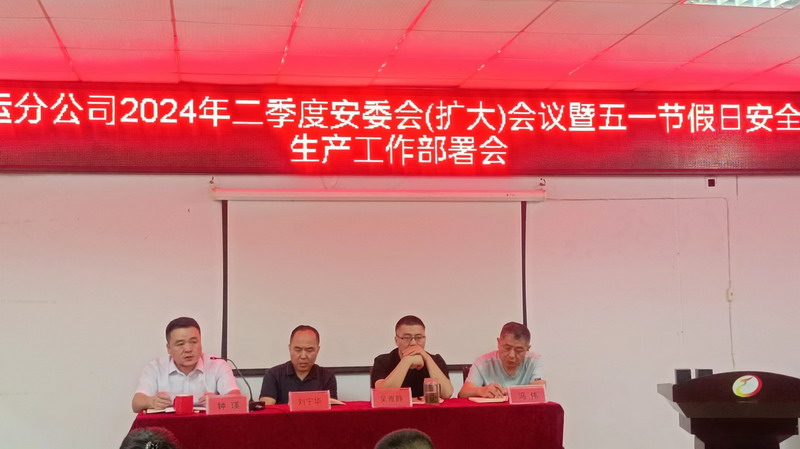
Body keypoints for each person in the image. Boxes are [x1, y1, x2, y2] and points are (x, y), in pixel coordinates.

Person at [131, 317, 240, 413]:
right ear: (169, 348)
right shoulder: (155, 367)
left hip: (209, 426)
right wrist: (151, 401)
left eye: (193, 342)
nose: (188, 349)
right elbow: (136, 403)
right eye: (180, 344)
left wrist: (218, 401)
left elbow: (237, 399)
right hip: (165, 428)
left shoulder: (218, 365)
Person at [371, 315, 453, 399]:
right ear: (396, 340)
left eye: (418, 337)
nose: (413, 343)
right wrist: (407, 361)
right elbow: (382, 395)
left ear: (425, 339)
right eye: (407, 338)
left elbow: (446, 394)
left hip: (428, 407)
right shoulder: (383, 361)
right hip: (397, 408)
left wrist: (427, 358)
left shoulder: (436, 360)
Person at [458, 321, 544, 398]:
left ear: (527, 349)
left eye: (518, 350)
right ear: (498, 343)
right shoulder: (482, 363)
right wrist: (481, 390)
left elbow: (540, 388)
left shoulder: (533, 361)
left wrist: (507, 391)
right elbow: (463, 392)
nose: (512, 355)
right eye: (507, 348)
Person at [259, 325, 337, 405]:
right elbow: (267, 408)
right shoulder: (273, 375)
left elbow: (332, 409)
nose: (303, 356)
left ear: (318, 350)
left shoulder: (327, 376)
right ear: (290, 348)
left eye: (309, 350)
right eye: (298, 350)